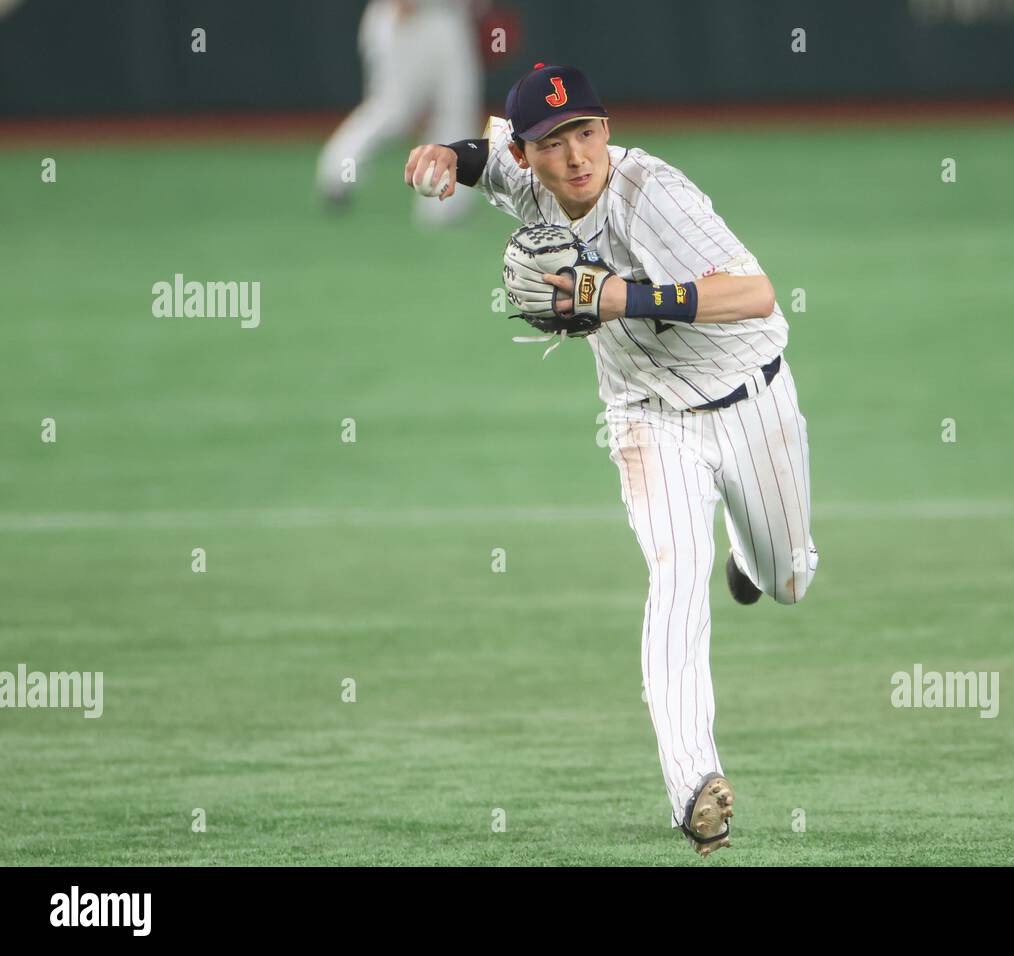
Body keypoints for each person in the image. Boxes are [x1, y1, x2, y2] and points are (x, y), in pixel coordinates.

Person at [404, 63, 818, 857]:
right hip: (647, 420)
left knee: (789, 579)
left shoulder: (654, 194)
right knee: (675, 573)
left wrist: (621, 295)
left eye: (586, 133)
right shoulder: (527, 178)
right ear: (528, 155)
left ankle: (753, 558)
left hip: (752, 396)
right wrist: (444, 157)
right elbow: (483, 158)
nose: (576, 156)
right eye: (553, 142)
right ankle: (695, 786)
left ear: (606, 129)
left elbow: (756, 294)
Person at [318, 0, 482, 226]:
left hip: (448, 17)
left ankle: (444, 203)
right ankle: (338, 173)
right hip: (409, 18)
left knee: (456, 108)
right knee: (392, 111)